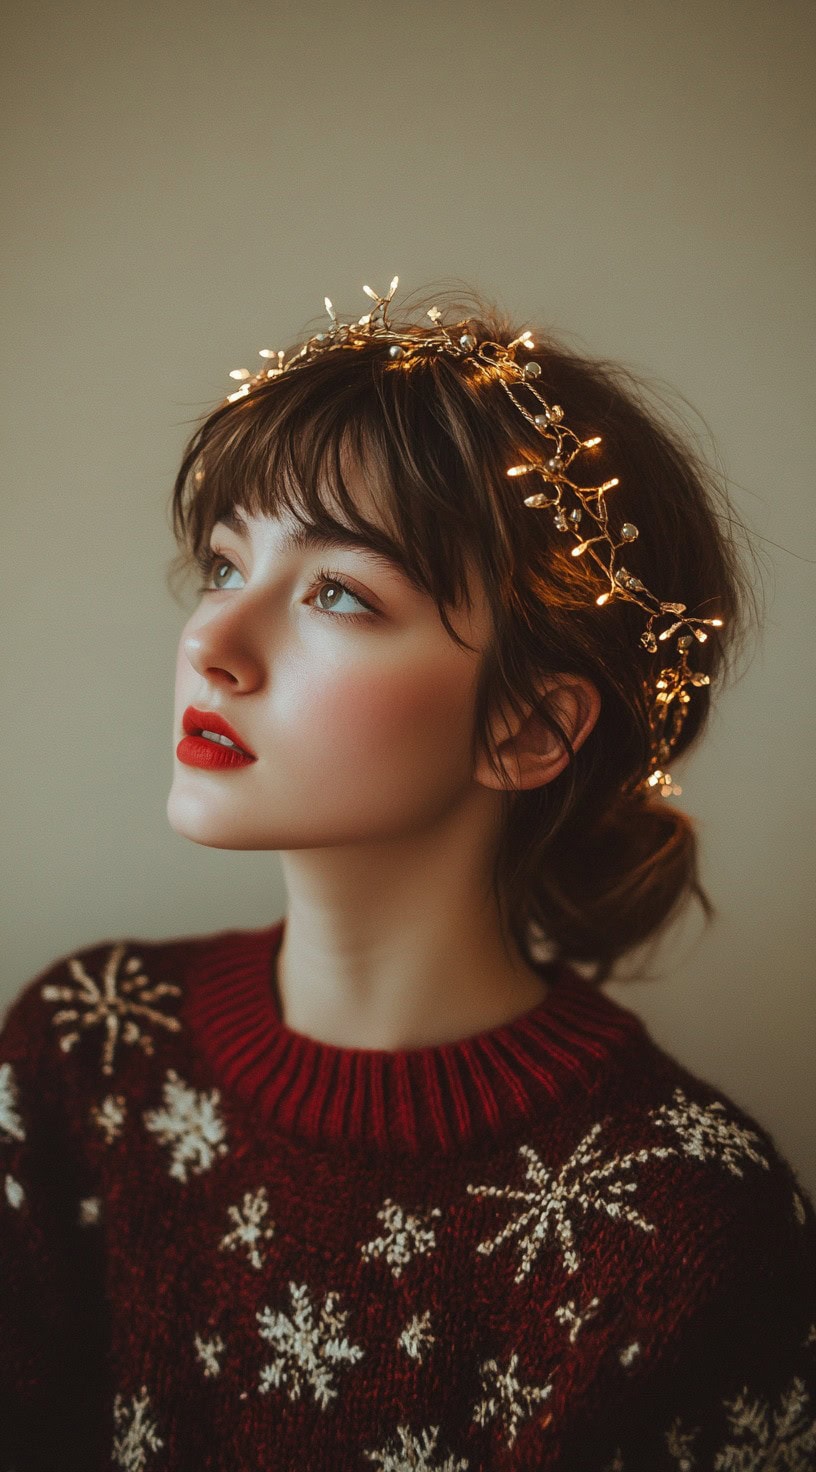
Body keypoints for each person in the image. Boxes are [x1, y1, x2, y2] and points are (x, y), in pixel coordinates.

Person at [1, 279, 814, 1471]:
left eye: (338, 591)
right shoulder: (89, 1053)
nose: (210, 643)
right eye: (226, 564)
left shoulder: (690, 1218)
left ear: (532, 729)